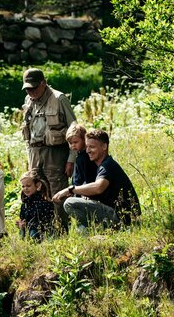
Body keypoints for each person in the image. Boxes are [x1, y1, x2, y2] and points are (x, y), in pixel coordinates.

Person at [21, 67, 77, 231]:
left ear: (43, 83)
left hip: (55, 153)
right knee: (36, 192)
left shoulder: (59, 99)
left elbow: (74, 129)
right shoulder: (28, 100)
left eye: (34, 87)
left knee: (57, 192)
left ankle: (61, 232)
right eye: (28, 88)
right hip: (34, 153)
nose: (31, 91)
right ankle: (42, 230)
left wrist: (71, 159)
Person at [52, 128, 140, 229]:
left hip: (123, 218)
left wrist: (70, 189)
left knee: (70, 203)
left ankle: (96, 228)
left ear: (104, 146)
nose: (88, 150)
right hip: (116, 214)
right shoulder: (99, 165)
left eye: (92, 147)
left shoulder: (108, 165)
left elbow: (98, 187)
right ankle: (92, 229)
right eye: (87, 147)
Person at [17, 170, 54, 241]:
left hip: (42, 230)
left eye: (28, 186)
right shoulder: (25, 203)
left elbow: (45, 221)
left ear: (38, 185)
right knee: (23, 234)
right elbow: (23, 218)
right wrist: (21, 224)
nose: (25, 188)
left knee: (33, 233)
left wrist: (28, 225)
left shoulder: (43, 202)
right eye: (23, 186)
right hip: (29, 229)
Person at [65, 122, 98, 190]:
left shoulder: (86, 157)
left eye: (75, 142)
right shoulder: (79, 156)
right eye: (71, 143)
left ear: (84, 140)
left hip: (82, 190)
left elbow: (89, 177)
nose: (73, 145)